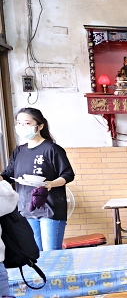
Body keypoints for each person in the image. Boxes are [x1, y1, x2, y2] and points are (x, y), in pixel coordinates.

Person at [1, 108, 75, 252]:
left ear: (40, 126)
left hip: (50, 209)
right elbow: (8, 174)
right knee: (35, 254)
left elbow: (68, 174)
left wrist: (50, 184)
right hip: (26, 209)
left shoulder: (52, 149)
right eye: (19, 123)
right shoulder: (18, 151)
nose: (22, 127)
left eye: (27, 123)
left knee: (51, 253)